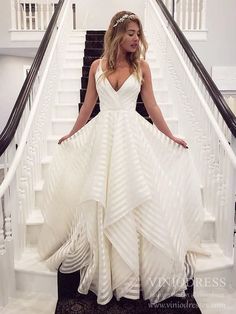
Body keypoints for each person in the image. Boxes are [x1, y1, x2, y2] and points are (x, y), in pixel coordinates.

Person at [38, 11, 205, 305]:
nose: (135, 39)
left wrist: (170, 137)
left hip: (132, 137)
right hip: (103, 138)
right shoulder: (96, 66)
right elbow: (88, 106)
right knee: (102, 197)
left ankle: (132, 275)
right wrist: (72, 133)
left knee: (132, 197)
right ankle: (107, 269)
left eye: (138, 34)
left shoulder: (142, 67)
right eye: (130, 33)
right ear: (117, 34)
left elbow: (151, 107)